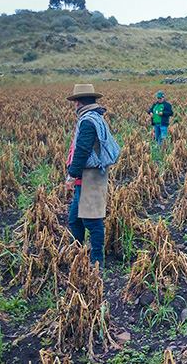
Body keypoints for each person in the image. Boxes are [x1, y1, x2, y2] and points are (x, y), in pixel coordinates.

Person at [65, 84, 119, 266]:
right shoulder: (94, 117)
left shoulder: (88, 121)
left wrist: (71, 175)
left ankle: (97, 259)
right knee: (75, 218)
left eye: (74, 102)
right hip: (87, 176)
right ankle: (77, 251)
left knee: (92, 219)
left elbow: (82, 150)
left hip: (91, 176)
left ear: (78, 102)